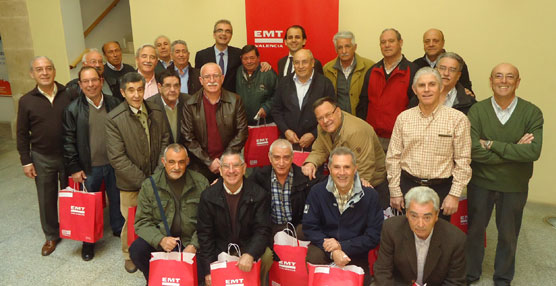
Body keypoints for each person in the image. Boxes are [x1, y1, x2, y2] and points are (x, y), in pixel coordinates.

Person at [465, 63, 543, 286]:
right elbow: (472, 150)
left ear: (518, 82)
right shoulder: (478, 111)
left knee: (509, 235)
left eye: (510, 77)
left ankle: (503, 278)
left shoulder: (532, 112)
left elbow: (533, 151)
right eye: (498, 76)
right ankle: (471, 274)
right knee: (475, 231)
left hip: (514, 185)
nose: (504, 81)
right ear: (491, 81)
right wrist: (513, 151)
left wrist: (490, 143)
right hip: (481, 183)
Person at [386, 67, 471, 221]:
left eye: (432, 84)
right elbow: (393, 157)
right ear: (414, 89)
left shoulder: (458, 119)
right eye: (421, 85)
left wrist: (454, 194)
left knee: (438, 239)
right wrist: (395, 191)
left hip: (441, 189)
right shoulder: (403, 118)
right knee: (407, 237)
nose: (426, 90)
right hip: (408, 186)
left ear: (440, 88)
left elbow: (463, 160)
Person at [106, 72, 170, 273]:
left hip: (157, 177)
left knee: (158, 217)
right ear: (123, 92)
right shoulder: (114, 119)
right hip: (130, 184)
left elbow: (166, 140)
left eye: (140, 89)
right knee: (132, 220)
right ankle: (128, 254)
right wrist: (145, 182)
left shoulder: (156, 110)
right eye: (131, 90)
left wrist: (158, 174)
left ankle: (154, 248)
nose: (136, 95)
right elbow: (117, 158)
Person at [62, 66, 124, 261]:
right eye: (86, 81)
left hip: (115, 164)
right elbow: (68, 142)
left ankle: (117, 229)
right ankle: (88, 243)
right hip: (89, 168)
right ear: (80, 85)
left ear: (101, 80)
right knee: (88, 206)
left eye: (94, 80)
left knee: (117, 199)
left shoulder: (115, 103)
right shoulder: (72, 110)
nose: (91, 85)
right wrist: (74, 168)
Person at [17, 56, 74, 256]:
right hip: (42, 157)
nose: (44, 73)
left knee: (71, 196)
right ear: (32, 74)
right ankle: (51, 235)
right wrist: (26, 161)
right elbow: (22, 133)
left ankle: (74, 228)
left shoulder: (69, 94)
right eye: (39, 69)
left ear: (54, 71)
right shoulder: (26, 101)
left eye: (48, 68)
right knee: (46, 198)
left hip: (68, 156)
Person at [302, 147, 383, 285]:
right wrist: (333, 252)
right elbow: (309, 227)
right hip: (324, 249)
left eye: (347, 167)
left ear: (355, 168)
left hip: (356, 253)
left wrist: (342, 246)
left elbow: (374, 236)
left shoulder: (370, 196)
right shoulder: (317, 192)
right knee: (313, 255)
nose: (342, 173)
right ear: (329, 168)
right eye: (337, 167)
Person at [129, 143, 209, 281]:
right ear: (163, 162)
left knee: (202, 270)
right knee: (137, 250)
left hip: (191, 242)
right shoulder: (150, 185)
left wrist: (194, 245)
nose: (176, 167)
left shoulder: (200, 183)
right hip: (164, 241)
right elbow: (142, 222)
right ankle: (155, 279)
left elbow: (208, 221)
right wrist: (160, 239)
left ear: (187, 162)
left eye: (181, 162)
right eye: (171, 162)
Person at [197, 151, 272, 286]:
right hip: (219, 249)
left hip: (247, 246)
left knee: (267, 256)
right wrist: (209, 270)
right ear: (220, 170)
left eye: (236, 166)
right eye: (226, 166)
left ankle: (257, 282)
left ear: (244, 168)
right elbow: (205, 235)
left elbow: (262, 230)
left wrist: (250, 253)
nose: (231, 171)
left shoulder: (258, 194)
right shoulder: (208, 196)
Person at [302, 97, 389, 208]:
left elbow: (365, 168)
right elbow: (320, 149)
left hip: (373, 184)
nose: (325, 121)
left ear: (338, 111)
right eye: (320, 118)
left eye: (328, 115)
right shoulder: (322, 127)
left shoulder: (356, 131)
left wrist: (348, 195)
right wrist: (311, 162)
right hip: (345, 182)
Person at [374, 186, 466, 286]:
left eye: (427, 217)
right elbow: (383, 271)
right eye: (414, 216)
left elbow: (455, 282)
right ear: (407, 213)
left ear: (436, 215)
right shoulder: (391, 228)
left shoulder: (455, 239)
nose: (420, 224)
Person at [181, 63, 248, 182]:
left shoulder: (235, 101)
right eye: (207, 77)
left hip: (230, 163)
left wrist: (224, 160)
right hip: (200, 165)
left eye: (216, 76)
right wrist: (209, 161)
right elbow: (188, 138)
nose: (212, 80)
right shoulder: (190, 104)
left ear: (222, 78)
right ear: (201, 80)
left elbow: (242, 132)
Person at [356, 28, 417, 152]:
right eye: (383, 42)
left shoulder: (413, 71)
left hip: (400, 139)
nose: (387, 45)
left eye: (391, 41)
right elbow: (363, 104)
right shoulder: (372, 71)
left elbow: (416, 108)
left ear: (400, 43)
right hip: (373, 138)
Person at [249, 139, 320, 235]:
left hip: (297, 229)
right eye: (277, 158)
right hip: (270, 229)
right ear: (270, 158)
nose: (281, 163)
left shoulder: (305, 178)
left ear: (292, 157)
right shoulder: (259, 176)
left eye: (286, 158)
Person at [272, 49, 335, 150]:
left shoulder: (325, 84)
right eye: (297, 62)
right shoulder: (283, 83)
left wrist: (314, 134)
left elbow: (332, 115)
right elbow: (276, 110)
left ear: (312, 63)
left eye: (304, 62)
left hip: (317, 144)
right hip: (288, 143)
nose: (300, 66)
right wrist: (286, 131)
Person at [322, 31, 375, 114]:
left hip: (362, 120)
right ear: (336, 50)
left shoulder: (369, 67)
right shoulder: (327, 69)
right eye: (340, 47)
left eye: (347, 46)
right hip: (337, 121)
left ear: (355, 47)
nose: (344, 51)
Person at [410, 52, 476, 114]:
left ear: (458, 75)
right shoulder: (420, 97)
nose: (446, 73)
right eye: (442, 68)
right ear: (435, 70)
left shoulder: (469, 102)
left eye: (452, 70)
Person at [195, 19, 242, 92]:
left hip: (232, 99)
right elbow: (198, 81)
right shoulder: (202, 55)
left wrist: (264, 65)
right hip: (209, 97)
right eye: (220, 30)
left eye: (227, 31)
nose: (224, 34)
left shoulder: (238, 54)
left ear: (231, 36)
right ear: (214, 34)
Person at [236, 44, 277, 125]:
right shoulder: (238, 71)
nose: (249, 61)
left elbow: (278, 94)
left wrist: (266, 108)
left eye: (252, 58)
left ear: (258, 58)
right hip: (243, 123)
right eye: (245, 58)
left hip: (264, 123)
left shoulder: (268, 73)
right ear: (241, 59)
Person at [147, 70, 187, 143]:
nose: (172, 90)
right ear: (159, 87)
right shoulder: (150, 106)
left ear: (180, 86)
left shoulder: (188, 102)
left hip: (185, 151)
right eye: (168, 86)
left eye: (176, 85)